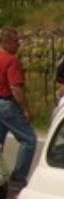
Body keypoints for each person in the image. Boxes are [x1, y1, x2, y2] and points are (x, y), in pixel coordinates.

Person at [0, 27, 37, 189]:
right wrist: (26, 109)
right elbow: (15, 88)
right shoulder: (11, 60)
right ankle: (18, 177)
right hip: (6, 104)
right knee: (29, 140)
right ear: (7, 42)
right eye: (16, 41)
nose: (19, 44)